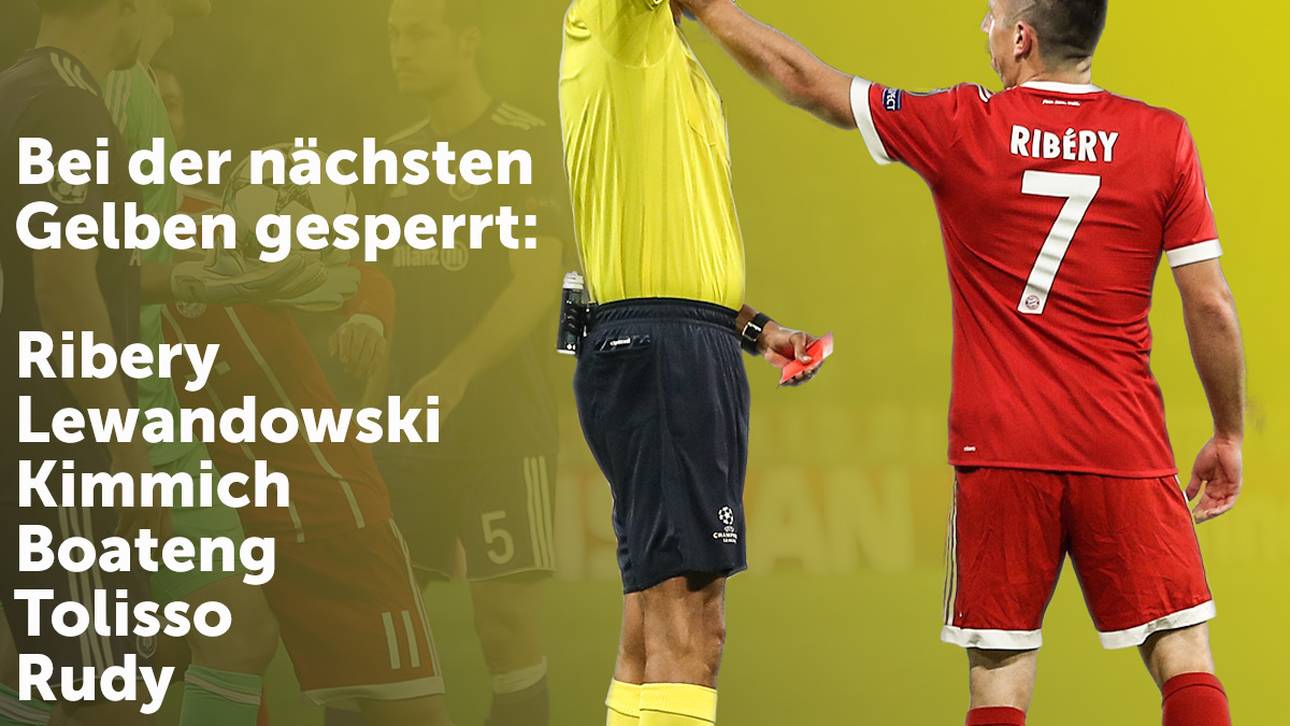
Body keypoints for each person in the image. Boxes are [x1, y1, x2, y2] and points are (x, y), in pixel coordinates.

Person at [672, 1, 1246, 725]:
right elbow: (1210, 304)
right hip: (1122, 442)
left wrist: (708, 7)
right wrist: (1228, 432)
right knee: (1184, 655)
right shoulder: (1162, 138)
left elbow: (807, 82)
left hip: (1001, 449)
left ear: (1022, 37)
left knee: (999, 683)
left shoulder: (963, 123)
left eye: (993, 15)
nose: (985, 28)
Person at [559, 2, 827, 725]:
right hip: (665, 356)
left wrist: (756, 329)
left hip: (680, 341)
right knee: (693, 628)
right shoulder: (613, 22)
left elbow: (677, 250)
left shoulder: (674, 66)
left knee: (651, 628)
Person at [339, 2, 571, 725]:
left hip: (503, 427)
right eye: (393, 35)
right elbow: (380, 294)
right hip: (408, 427)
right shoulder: (391, 158)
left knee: (504, 625)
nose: (401, 49)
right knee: (378, 622)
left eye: (419, 33)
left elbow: (537, 281)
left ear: (468, 41)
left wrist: (458, 372)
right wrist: (366, 407)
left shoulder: (523, 142)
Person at [103, 2, 281, 724]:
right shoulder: (109, 82)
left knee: (225, 634)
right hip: (108, 401)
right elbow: (75, 271)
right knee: (87, 673)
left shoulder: (132, 78)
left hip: (138, 399)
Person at [0, 2, 160, 725]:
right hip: (58, 444)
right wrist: (128, 450)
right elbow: (63, 287)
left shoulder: (14, 90)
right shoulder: (68, 107)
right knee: (109, 696)